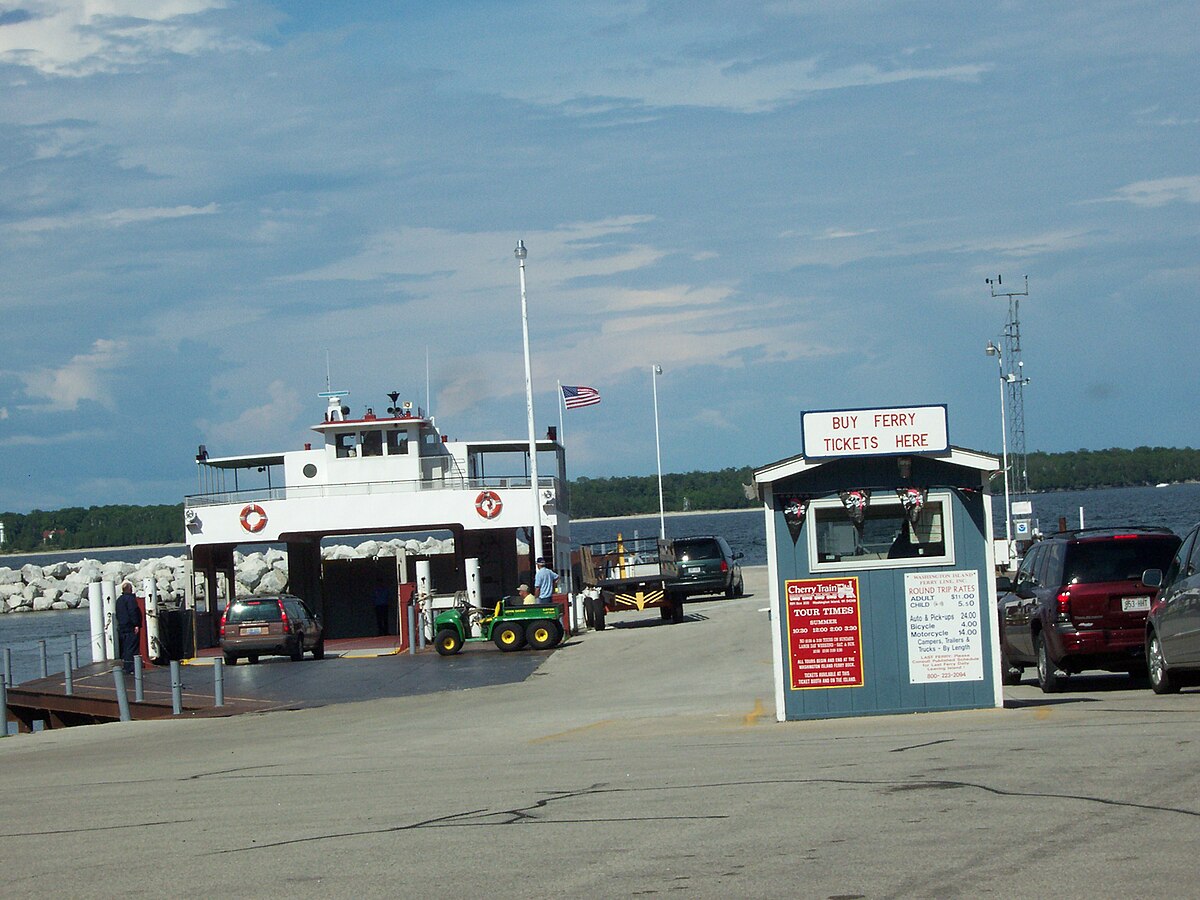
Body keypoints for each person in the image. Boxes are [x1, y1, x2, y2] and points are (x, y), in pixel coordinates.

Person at [116, 582, 141, 674]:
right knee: (132, 648)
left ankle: (126, 666)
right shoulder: (130, 599)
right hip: (130, 627)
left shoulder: (119, 600)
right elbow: (133, 612)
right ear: (130, 589)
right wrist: (136, 624)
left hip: (122, 627)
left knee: (125, 647)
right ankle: (130, 668)